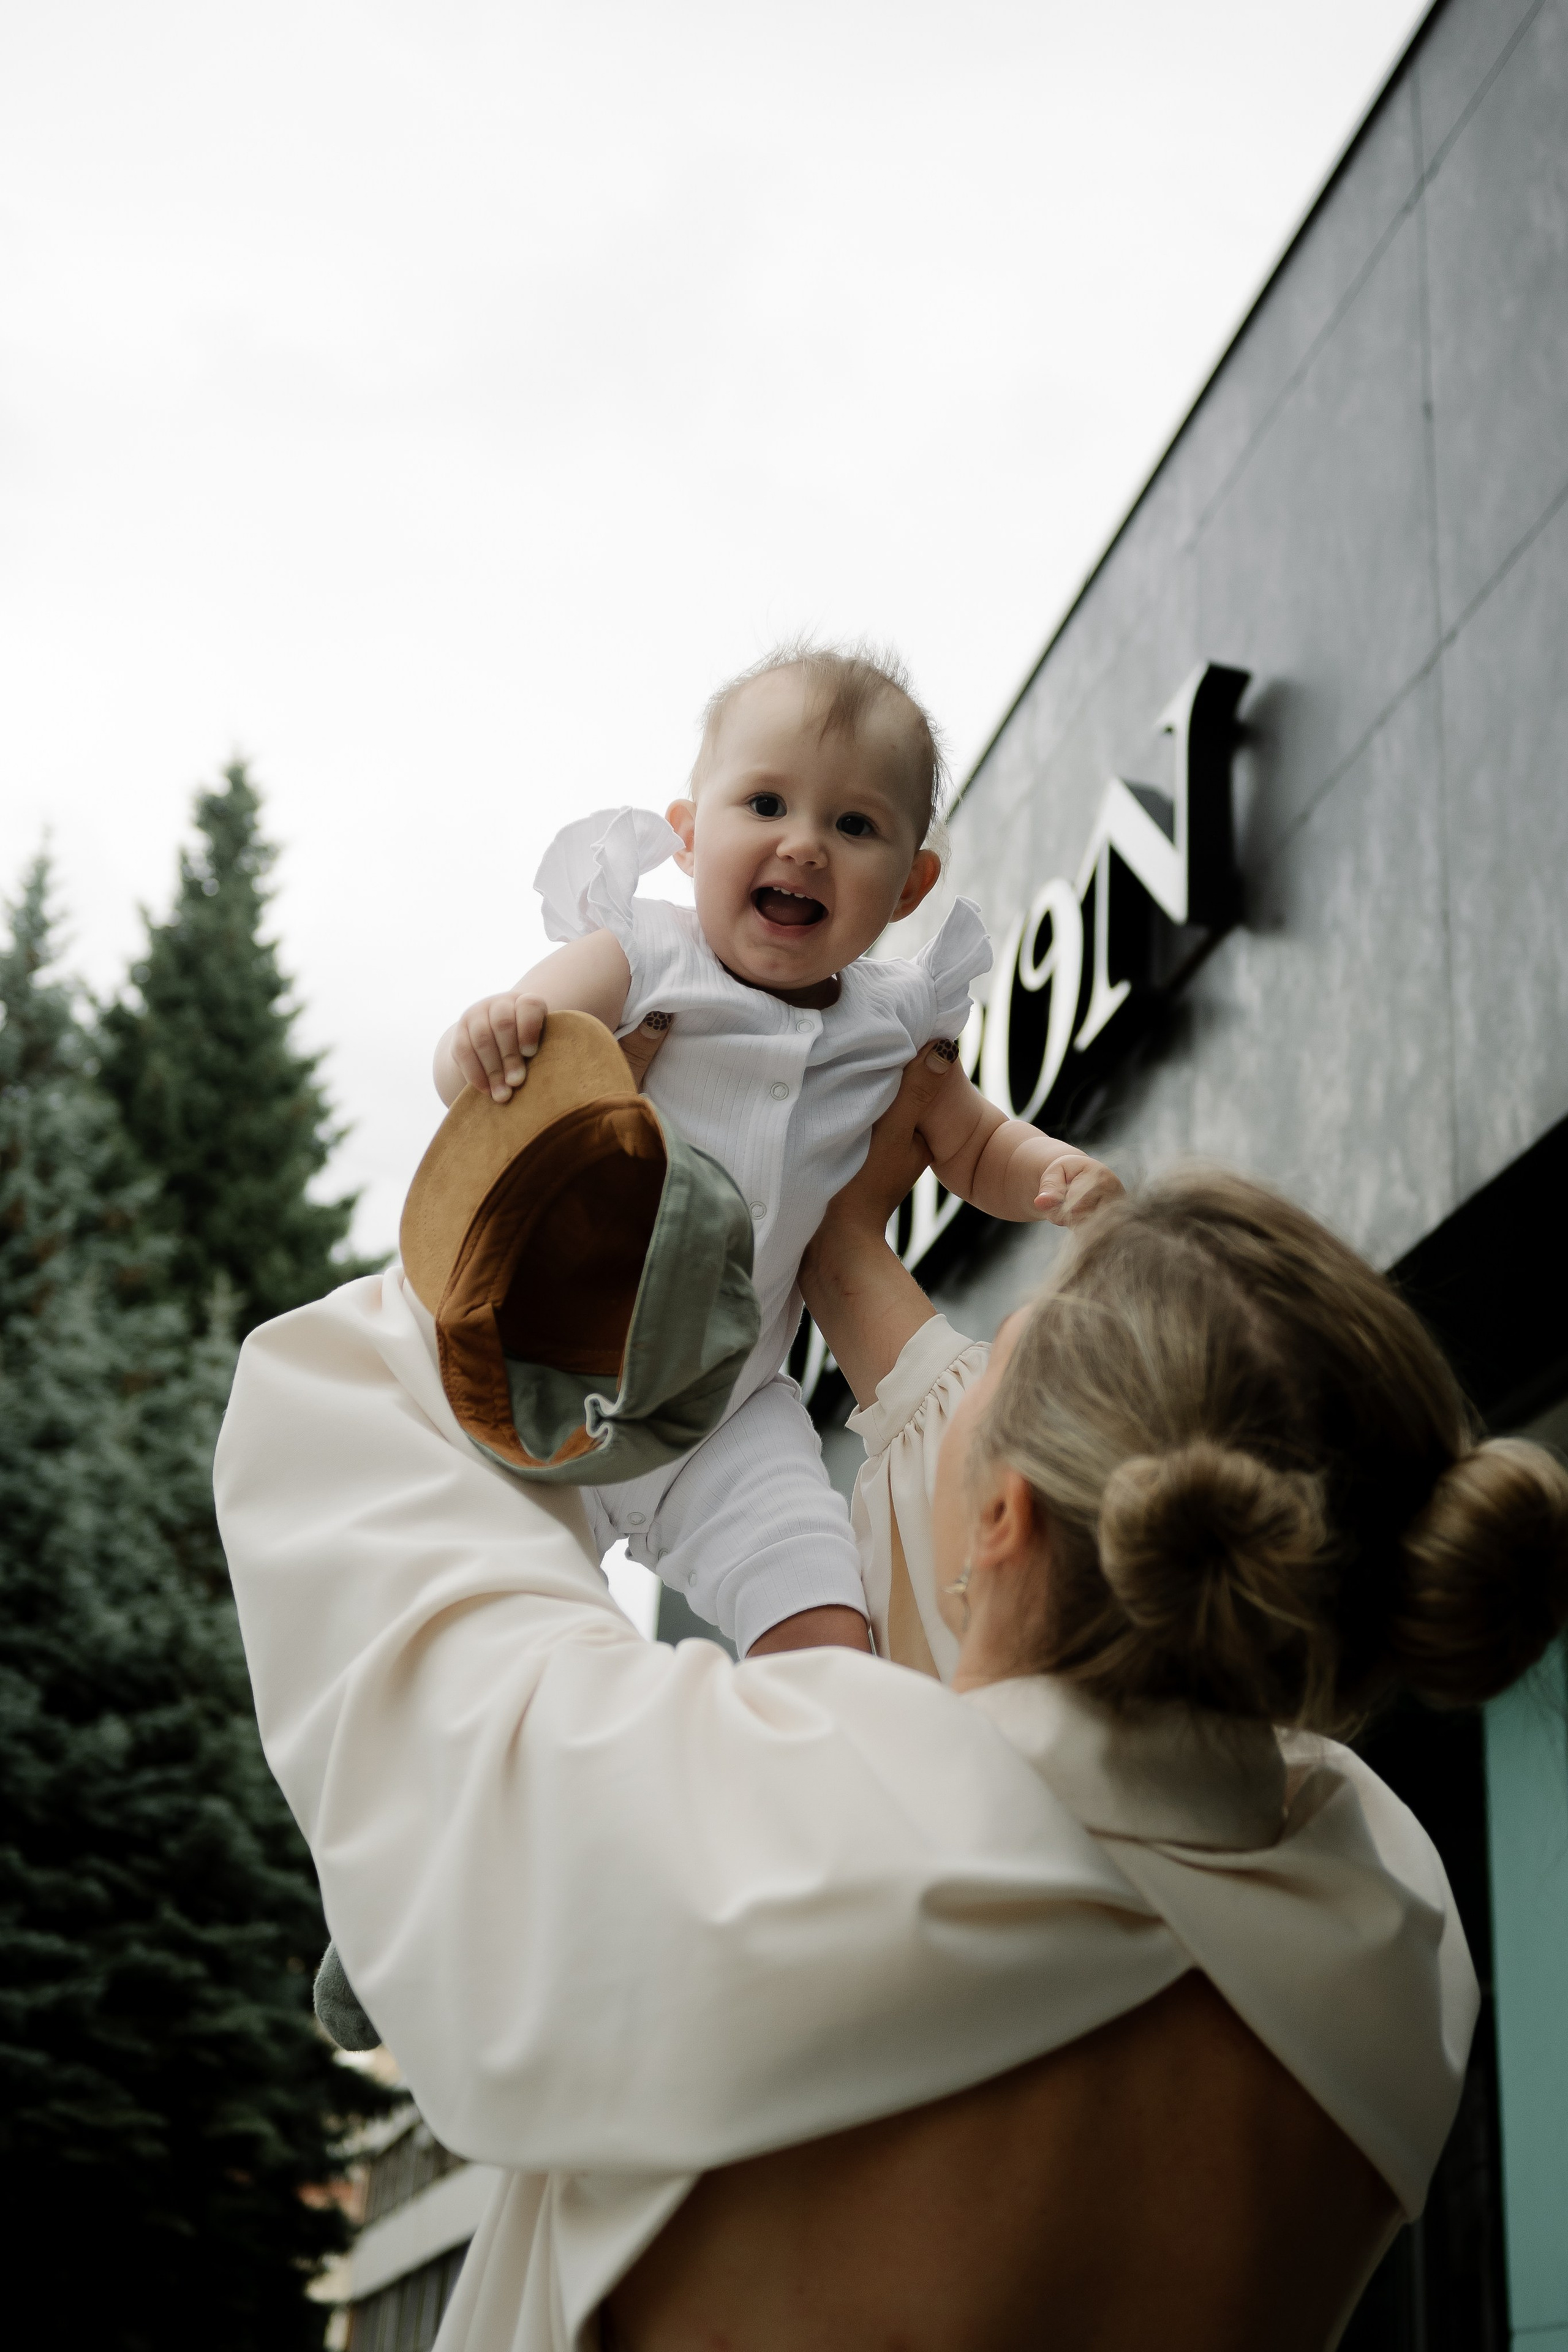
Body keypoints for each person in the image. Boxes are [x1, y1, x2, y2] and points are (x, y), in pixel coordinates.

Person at [214, 1041, 1568, 2352]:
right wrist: (842, 1239)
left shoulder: (772, 1839)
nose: (957, 1374)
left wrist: (556, 1171)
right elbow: (1039, 1673)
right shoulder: (1388, 1943)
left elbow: (367, 1455)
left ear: (1005, 1518)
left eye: (996, 1361)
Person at [429, 643, 1119, 1660]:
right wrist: (486, 1040)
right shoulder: (642, 957)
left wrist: (1048, 1171)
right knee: (501, 1623)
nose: (803, 845)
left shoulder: (895, 1027)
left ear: (911, 886)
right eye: (764, 805)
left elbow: (973, 1145)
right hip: (550, 1364)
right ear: (689, 834)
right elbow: (486, 1081)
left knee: (826, 1625)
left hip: (729, 1414)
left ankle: (805, 1773)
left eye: (854, 825)